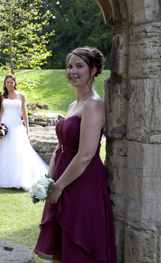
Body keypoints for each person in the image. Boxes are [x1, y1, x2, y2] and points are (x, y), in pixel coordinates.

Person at [34, 47, 116, 262]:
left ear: (93, 70)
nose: (72, 71)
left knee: (78, 247)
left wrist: (59, 186)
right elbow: (59, 147)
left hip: (83, 182)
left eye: (79, 66)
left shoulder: (94, 104)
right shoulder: (73, 105)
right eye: (69, 66)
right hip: (62, 178)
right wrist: (49, 180)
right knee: (60, 246)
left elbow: (86, 155)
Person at [0, 74, 48, 191]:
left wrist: (27, 129)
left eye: (11, 82)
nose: (9, 84)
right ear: (5, 84)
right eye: (7, 82)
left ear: (14, 83)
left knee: (19, 152)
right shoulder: (3, 96)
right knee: (6, 153)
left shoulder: (21, 95)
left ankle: (20, 180)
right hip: (5, 126)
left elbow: (24, 114)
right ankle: (7, 180)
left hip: (17, 126)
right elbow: (1, 113)